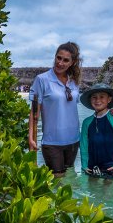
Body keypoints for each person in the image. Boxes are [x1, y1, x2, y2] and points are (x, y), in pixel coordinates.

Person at [28, 42, 82, 177]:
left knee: (70, 179)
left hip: (74, 139)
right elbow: (34, 112)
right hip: (52, 142)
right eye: (59, 58)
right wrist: (30, 137)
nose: (60, 63)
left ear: (72, 62)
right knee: (58, 181)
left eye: (65, 60)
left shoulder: (74, 81)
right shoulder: (42, 79)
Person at [79, 83, 113, 178]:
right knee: (90, 192)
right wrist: (84, 165)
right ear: (90, 100)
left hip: (111, 169)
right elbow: (83, 146)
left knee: (110, 192)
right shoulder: (86, 122)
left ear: (109, 99)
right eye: (94, 97)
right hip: (91, 168)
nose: (98, 100)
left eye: (102, 97)